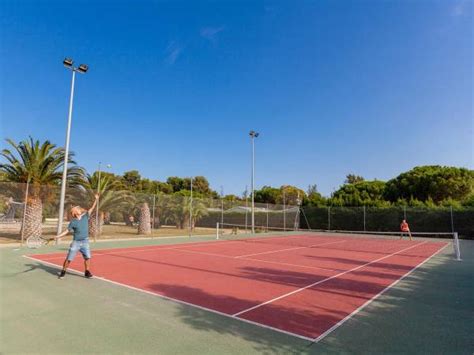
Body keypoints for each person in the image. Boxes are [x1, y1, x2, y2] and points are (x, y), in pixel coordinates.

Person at [55, 194, 99, 279]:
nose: (79, 209)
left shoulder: (85, 216)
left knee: (88, 257)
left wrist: (96, 200)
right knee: (69, 258)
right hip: (76, 243)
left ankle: (87, 272)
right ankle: (63, 271)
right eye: (77, 209)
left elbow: (92, 208)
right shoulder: (73, 222)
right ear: (75, 212)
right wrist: (57, 236)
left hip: (85, 241)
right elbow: (67, 231)